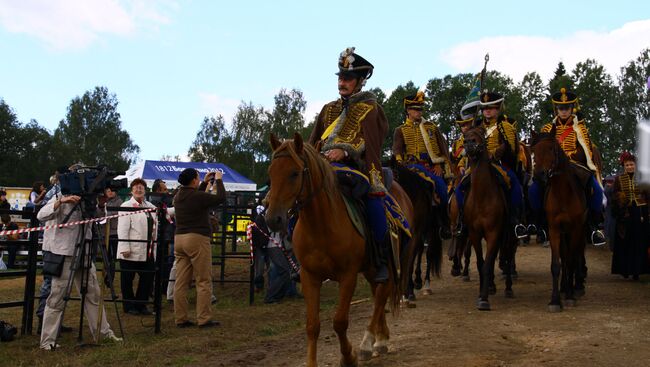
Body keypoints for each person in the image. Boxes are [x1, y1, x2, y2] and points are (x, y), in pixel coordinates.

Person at [308, 47, 391, 282]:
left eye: (348, 78)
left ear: (360, 81)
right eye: (341, 77)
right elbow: (313, 141)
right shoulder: (328, 109)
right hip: (323, 166)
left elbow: (371, 142)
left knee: (373, 198)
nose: (342, 82)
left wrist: (345, 151)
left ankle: (380, 257)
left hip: (356, 168)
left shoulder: (371, 109)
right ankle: (299, 255)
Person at [37, 192, 120, 350]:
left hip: (85, 253)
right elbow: (41, 215)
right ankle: (47, 341)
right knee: (57, 298)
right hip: (64, 253)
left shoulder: (89, 198)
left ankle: (103, 333)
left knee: (93, 294)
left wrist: (101, 204)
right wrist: (61, 201)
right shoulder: (59, 196)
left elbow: (99, 219)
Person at [530, 88, 606, 246]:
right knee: (533, 190)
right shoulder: (546, 129)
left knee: (596, 190)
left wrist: (568, 158)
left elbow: (586, 151)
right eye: (561, 108)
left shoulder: (580, 128)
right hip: (551, 167)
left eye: (567, 108)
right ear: (556, 109)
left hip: (575, 166)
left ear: (572, 109)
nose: (564, 111)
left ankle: (593, 226)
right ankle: (540, 225)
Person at [455, 91, 527, 239]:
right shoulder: (475, 127)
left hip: (498, 164)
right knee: (459, 189)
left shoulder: (505, 126)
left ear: (498, 108)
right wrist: (462, 163)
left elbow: (511, 148)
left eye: (491, 107)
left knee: (515, 186)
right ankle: (463, 222)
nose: (487, 111)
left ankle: (515, 221)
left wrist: (494, 153)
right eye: (485, 108)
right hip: (476, 167)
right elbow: (467, 149)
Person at [393, 91, 453, 239]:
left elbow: (443, 149)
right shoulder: (400, 130)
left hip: (431, 167)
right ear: (408, 111)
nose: (419, 112)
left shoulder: (431, 127)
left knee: (442, 191)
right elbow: (397, 152)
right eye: (415, 109)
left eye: (420, 109)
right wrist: (401, 166)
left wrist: (439, 165)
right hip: (410, 167)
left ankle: (444, 224)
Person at [173, 168, 226, 328]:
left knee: (181, 282)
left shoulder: (178, 196)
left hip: (179, 239)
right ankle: (204, 318)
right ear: (194, 181)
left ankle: (180, 318)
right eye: (198, 178)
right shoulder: (197, 196)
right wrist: (218, 180)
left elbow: (196, 197)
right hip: (197, 238)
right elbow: (220, 198)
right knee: (203, 280)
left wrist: (203, 182)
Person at [117, 178, 157, 315]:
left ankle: (141, 304)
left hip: (147, 250)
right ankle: (129, 306)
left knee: (147, 277)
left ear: (145, 190)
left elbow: (163, 213)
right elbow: (122, 228)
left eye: (141, 187)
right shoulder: (125, 205)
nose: (139, 189)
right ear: (131, 190)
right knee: (127, 279)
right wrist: (124, 247)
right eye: (136, 187)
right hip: (130, 249)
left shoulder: (150, 205)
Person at [610, 152, 650, 280]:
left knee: (639, 242)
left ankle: (637, 271)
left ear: (635, 165)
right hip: (625, 213)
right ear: (624, 166)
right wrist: (619, 198)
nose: (629, 167)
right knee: (625, 241)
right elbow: (614, 194)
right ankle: (625, 270)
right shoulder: (618, 179)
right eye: (627, 165)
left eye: (631, 164)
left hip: (640, 212)